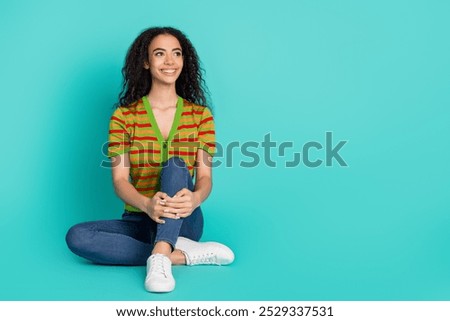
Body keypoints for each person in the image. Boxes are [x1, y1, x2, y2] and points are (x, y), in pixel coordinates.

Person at [65, 26, 234, 293]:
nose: (170, 61)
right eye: (159, 53)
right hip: (139, 220)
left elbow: (204, 178)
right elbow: (120, 181)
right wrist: (147, 205)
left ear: (183, 60)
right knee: (77, 237)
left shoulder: (201, 116)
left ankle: (161, 253)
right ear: (146, 61)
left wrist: (196, 198)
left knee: (176, 165)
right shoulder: (124, 117)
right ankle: (179, 255)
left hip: (184, 222)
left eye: (176, 54)